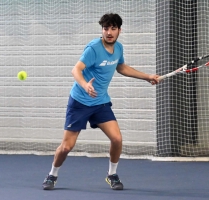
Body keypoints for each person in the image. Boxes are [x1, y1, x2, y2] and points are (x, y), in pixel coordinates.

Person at [42, 13, 160, 191]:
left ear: (119, 30)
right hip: (80, 102)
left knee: (117, 139)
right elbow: (75, 70)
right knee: (66, 147)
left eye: (113, 28)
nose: (109, 32)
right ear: (102, 30)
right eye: (106, 28)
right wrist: (85, 86)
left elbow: (121, 67)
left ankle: (112, 174)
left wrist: (147, 77)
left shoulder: (119, 48)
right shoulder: (94, 48)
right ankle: (52, 175)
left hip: (101, 103)